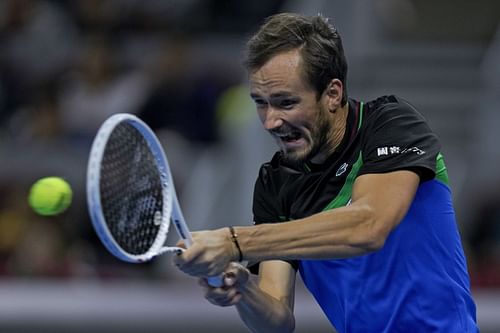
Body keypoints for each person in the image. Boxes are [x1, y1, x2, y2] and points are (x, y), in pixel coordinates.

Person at [174, 12, 479, 333]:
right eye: (261, 103)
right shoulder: (276, 183)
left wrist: (235, 241)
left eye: (286, 102)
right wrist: (243, 287)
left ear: (332, 93)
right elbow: (276, 319)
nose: (270, 121)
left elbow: (369, 227)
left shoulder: (392, 125)